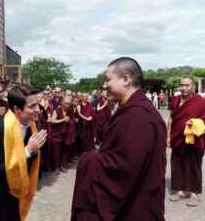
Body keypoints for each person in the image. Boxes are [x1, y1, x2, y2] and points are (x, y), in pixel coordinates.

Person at [71, 57, 167, 220]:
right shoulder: (135, 109)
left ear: (126, 79)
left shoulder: (139, 116)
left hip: (134, 205)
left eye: (108, 79)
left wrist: (87, 160)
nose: (104, 85)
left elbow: (124, 166)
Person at [0, 84, 47, 221]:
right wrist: (28, 150)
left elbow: (32, 157)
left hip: (14, 184)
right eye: (32, 106)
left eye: (38, 104)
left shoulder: (33, 125)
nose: (38, 110)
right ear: (17, 109)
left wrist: (33, 150)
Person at [167, 77, 205, 206]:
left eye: (187, 85)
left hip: (194, 138)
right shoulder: (176, 100)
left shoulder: (200, 101)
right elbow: (171, 118)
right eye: (181, 85)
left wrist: (195, 122)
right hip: (178, 137)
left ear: (193, 87)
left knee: (194, 165)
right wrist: (168, 136)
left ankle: (194, 194)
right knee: (177, 164)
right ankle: (181, 191)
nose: (183, 88)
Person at [50, 97, 76, 175]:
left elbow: (73, 119)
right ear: (62, 103)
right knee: (56, 151)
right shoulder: (57, 110)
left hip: (65, 134)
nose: (67, 105)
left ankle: (62, 165)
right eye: (66, 103)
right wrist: (63, 120)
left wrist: (70, 121)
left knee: (64, 151)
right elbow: (52, 121)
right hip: (57, 134)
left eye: (69, 103)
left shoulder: (70, 111)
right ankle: (56, 167)